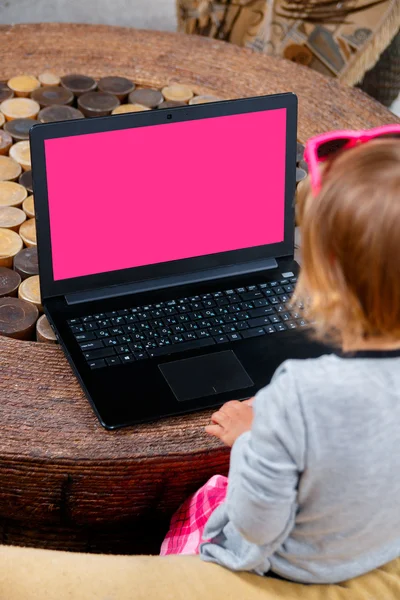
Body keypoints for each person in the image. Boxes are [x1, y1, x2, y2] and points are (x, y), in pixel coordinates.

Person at [160, 126, 400, 584]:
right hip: (373, 544)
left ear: (326, 273)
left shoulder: (300, 395)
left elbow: (257, 526)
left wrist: (250, 440)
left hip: (297, 568)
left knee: (202, 499)